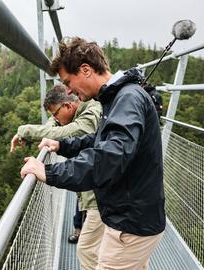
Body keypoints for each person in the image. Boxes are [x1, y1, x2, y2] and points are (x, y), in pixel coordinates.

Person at [20, 37, 165, 270]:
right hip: (129, 216)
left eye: (68, 81)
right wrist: (63, 146)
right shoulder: (117, 98)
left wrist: (49, 172)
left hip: (130, 224)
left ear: (86, 70)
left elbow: (109, 157)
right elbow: (100, 140)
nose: (68, 90)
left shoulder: (127, 99)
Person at [11, 84, 105, 270]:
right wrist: (53, 122)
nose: (54, 119)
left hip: (101, 197)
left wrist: (25, 131)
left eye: (55, 113)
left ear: (68, 107)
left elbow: (64, 133)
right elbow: (54, 126)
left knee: (87, 250)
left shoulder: (92, 112)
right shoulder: (76, 111)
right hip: (96, 191)